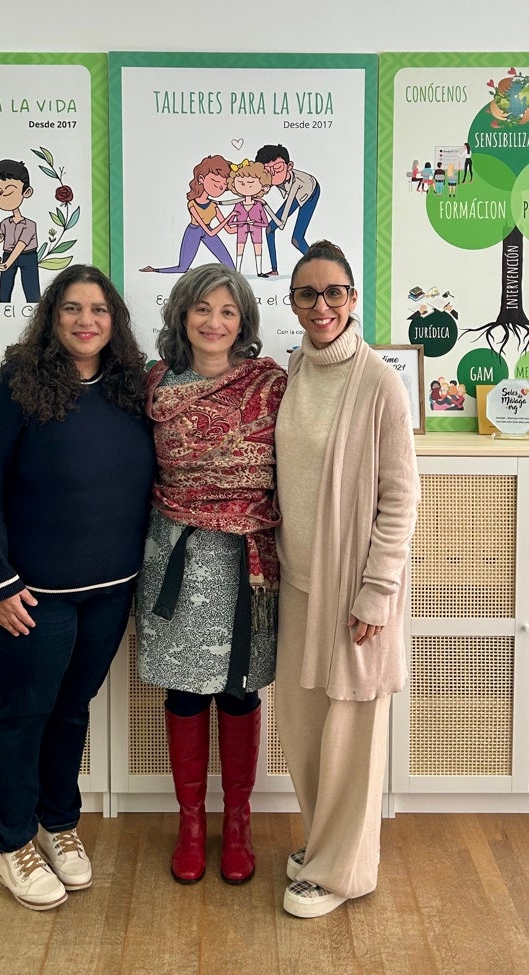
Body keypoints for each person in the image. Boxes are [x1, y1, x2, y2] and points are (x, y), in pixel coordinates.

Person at [0, 264, 155, 911]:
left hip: (107, 590)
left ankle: (58, 822)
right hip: (24, 593)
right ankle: (11, 840)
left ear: (114, 320)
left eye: (98, 309)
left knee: (71, 708)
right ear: (51, 316)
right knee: (22, 711)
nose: (86, 320)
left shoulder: (131, 388)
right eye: (72, 308)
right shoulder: (14, 386)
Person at [274, 240, 420, 918]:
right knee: (305, 730)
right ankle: (321, 843)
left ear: (353, 298)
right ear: (294, 302)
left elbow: (401, 496)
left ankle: (342, 872)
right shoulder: (293, 371)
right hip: (299, 584)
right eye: (308, 293)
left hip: (357, 592)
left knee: (354, 736)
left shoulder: (379, 382)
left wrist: (377, 590)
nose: (322, 305)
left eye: (335, 292)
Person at [135, 264, 286, 886]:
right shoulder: (154, 384)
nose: (214, 322)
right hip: (176, 553)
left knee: (241, 688)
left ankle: (241, 821)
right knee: (187, 690)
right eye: (202, 309)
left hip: (251, 557)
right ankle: (192, 824)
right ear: (182, 315)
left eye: (228, 311)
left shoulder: (271, 384)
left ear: (244, 321)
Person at [140, 154, 236, 273]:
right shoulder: (192, 204)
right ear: (201, 179)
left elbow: (230, 230)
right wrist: (230, 217)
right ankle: (154, 269)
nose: (219, 188)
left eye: (223, 186)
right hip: (194, 231)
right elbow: (210, 232)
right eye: (216, 183)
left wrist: (246, 223)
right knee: (183, 268)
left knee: (231, 268)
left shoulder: (214, 205)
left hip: (207, 231)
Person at [254, 143, 320, 277]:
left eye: (277, 168)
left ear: (289, 166)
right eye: (267, 171)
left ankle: (319, 268)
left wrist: (265, 205)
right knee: (269, 229)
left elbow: (281, 223)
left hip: (309, 191)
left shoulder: (296, 184)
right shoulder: (269, 179)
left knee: (297, 239)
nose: (273, 174)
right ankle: (274, 269)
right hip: (297, 191)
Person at [0, 159, 41, 301]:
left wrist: (6, 264)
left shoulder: (30, 225)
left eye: (10, 191)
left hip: (28, 257)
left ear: (27, 191)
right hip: (7, 254)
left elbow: (21, 245)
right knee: (4, 292)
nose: (4, 195)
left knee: (32, 291)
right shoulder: (5, 223)